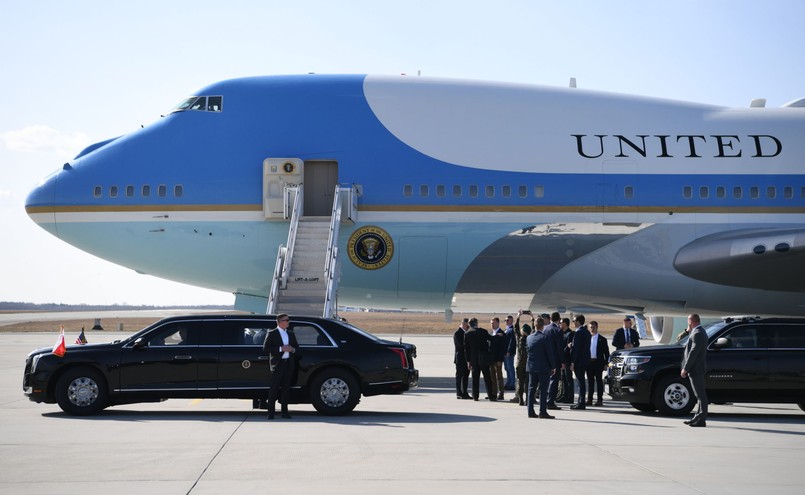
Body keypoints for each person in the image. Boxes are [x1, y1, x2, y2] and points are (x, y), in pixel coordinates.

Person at [262, 313, 299, 419]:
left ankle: (284, 411)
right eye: (286, 320)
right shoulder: (272, 333)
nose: (288, 322)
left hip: (288, 363)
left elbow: (297, 347)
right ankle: (271, 412)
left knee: (286, 388)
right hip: (278, 364)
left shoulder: (291, 333)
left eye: (288, 320)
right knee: (274, 388)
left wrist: (292, 349)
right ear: (279, 322)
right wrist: (281, 349)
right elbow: (266, 348)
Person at [526, 317, 557, 419]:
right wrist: (553, 366)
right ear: (543, 326)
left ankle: (530, 411)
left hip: (531, 367)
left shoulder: (529, 338)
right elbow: (549, 353)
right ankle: (542, 411)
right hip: (543, 368)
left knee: (531, 390)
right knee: (543, 390)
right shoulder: (545, 338)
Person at [681, 313, 708, 427]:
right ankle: (697, 417)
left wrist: (685, 368)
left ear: (691, 321)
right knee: (699, 395)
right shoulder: (698, 332)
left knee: (700, 395)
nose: (688, 323)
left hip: (696, 369)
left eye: (688, 321)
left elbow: (693, 352)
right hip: (696, 368)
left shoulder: (698, 333)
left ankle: (701, 419)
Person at [464, 317, 496, 401]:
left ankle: (475, 396)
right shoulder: (483, 331)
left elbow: (466, 349)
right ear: (477, 323)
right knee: (487, 378)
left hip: (474, 360)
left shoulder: (467, 334)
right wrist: (498, 336)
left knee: (475, 379)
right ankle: (490, 395)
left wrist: (468, 361)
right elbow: (491, 339)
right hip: (484, 359)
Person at [510, 310, 532, 405]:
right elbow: (535, 328)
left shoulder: (519, 338)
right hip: (528, 364)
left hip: (519, 363)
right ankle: (527, 399)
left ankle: (520, 399)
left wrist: (518, 316)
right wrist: (532, 317)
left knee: (519, 382)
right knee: (528, 382)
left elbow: (515, 328)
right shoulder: (531, 339)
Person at [542, 312, 564, 410]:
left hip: (545, 359)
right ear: (559, 319)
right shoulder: (558, 330)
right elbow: (560, 348)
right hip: (555, 360)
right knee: (554, 381)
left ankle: (545, 400)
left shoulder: (545, 329)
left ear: (550, 318)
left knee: (547, 381)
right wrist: (562, 361)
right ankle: (550, 402)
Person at [585, 321, 610, 406]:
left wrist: (607, 364)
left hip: (598, 363)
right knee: (590, 382)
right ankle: (589, 399)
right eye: (591, 327)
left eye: (593, 327)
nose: (592, 329)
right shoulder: (587, 338)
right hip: (589, 363)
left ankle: (600, 400)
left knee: (599, 381)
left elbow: (606, 353)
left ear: (597, 327)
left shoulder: (602, 339)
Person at [570, 315, 591, 410]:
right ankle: (580, 401)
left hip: (579, 361)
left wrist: (573, 362)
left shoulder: (578, 333)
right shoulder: (586, 332)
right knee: (581, 382)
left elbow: (576, 349)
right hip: (585, 360)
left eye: (574, 321)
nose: (573, 322)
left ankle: (581, 402)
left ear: (578, 322)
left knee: (580, 382)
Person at [453, 318, 471, 399]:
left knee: (466, 376)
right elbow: (460, 346)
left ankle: (465, 392)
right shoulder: (458, 333)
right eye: (467, 326)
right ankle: (459, 392)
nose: (468, 327)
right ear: (463, 324)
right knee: (459, 376)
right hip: (460, 359)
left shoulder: (467, 333)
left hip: (467, 359)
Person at [489, 317, 506, 400]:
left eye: (493, 323)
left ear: (498, 323)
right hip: (491, 359)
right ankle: (493, 393)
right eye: (491, 323)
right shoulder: (492, 333)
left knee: (499, 377)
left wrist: (500, 359)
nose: (492, 325)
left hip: (497, 359)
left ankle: (501, 393)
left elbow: (502, 348)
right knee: (492, 377)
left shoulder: (501, 333)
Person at [559, 317, 575, 403]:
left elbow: (568, 348)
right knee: (564, 379)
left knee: (568, 379)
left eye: (561, 323)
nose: (560, 324)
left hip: (567, 360)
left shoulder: (570, 334)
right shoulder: (561, 333)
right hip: (562, 360)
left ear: (565, 323)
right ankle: (565, 395)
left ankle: (570, 397)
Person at [503, 315, 517, 391]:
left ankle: (512, 383)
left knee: (510, 368)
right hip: (505, 352)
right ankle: (508, 382)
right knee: (507, 368)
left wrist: (508, 351)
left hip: (509, 353)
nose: (506, 321)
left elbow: (512, 341)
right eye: (505, 320)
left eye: (508, 320)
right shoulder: (507, 329)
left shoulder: (511, 330)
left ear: (511, 321)